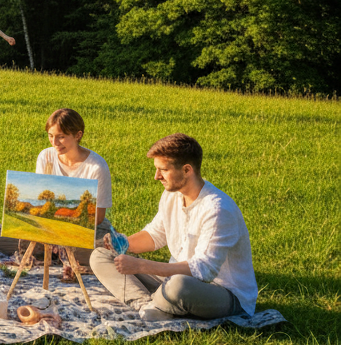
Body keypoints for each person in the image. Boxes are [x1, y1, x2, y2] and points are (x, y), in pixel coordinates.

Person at [90, 134, 257, 321]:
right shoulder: (172, 195)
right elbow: (155, 235)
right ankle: (146, 304)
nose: (156, 176)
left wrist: (142, 265)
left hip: (221, 291)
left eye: (163, 170)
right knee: (101, 256)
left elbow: (204, 270)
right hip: (172, 278)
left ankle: (161, 302)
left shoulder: (217, 209)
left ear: (187, 170)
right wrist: (123, 243)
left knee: (178, 286)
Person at [0, 108, 113, 266]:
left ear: (78, 135)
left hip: (85, 231)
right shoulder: (46, 156)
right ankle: (58, 253)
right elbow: (39, 197)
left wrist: (62, 232)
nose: (55, 143)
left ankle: (55, 252)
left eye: (61, 137)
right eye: (51, 136)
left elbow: (98, 218)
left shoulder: (96, 167)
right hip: (47, 228)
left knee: (103, 251)